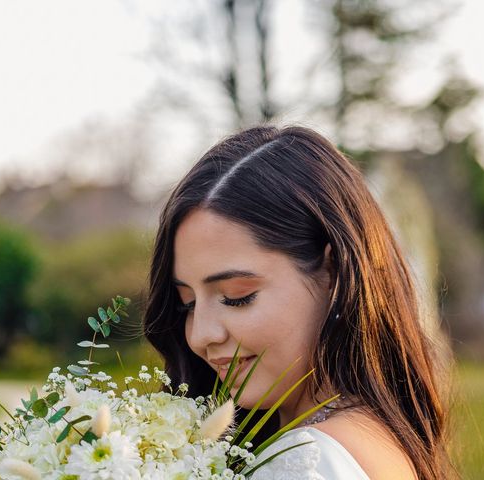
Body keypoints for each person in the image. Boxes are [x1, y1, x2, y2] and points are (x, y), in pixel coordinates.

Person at [143, 125, 453, 479]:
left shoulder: (306, 464)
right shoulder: (374, 436)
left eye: (236, 297)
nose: (201, 336)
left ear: (334, 273)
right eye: (187, 304)